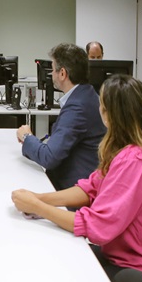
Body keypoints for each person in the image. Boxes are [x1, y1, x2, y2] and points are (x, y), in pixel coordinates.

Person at [11, 74, 142, 282]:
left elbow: (97, 227)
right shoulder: (127, 150)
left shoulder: (137, 161)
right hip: (133, 260)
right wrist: (39, 198)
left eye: (102, 106)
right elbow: (90, 187)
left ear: (111, 115)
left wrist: (39, 208)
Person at [16, 43, 106, 191]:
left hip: (73, 189)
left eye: (53, 69)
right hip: (79, 181)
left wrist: (27, 137)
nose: (51, 74)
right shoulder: (87, 95)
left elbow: (49, 158)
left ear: (63, 73)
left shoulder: (77, 107)